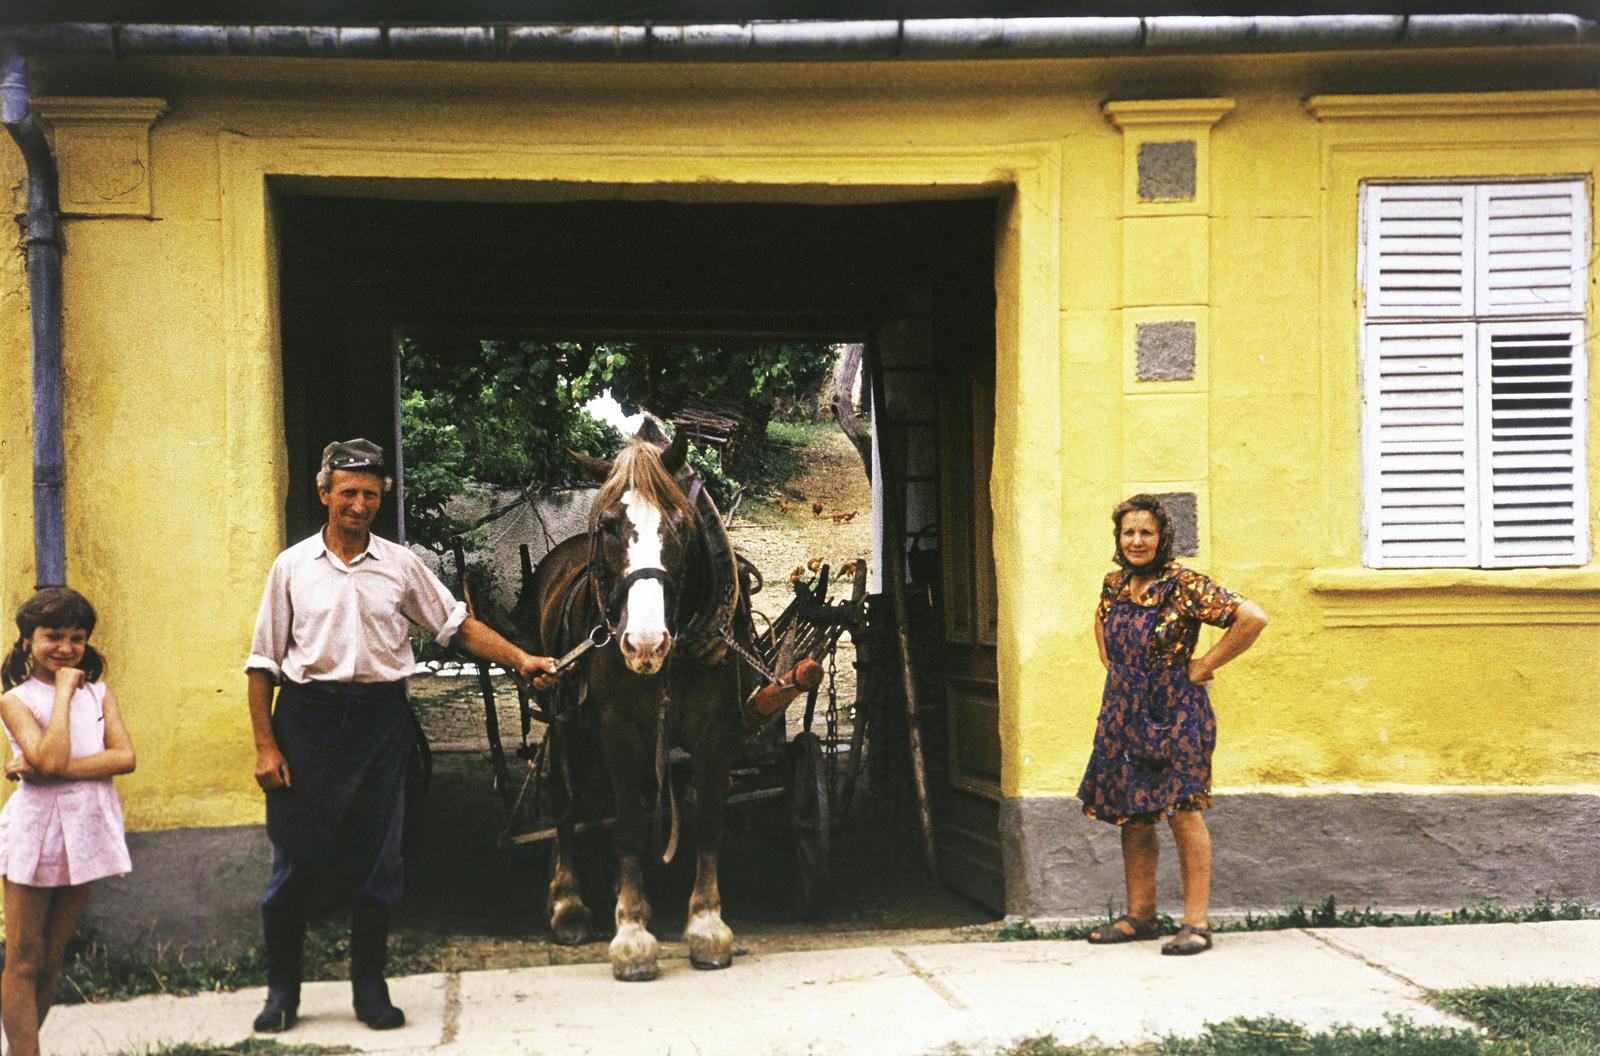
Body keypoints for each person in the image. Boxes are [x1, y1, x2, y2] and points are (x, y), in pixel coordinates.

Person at [246, 439, 560, 1033]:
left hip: (380, 723)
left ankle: (370, 990)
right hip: (307, 723)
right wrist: (267, 746)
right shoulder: (291, 567)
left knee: (380, 859)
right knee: (296, 858)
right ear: (325, 494)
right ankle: (282, 993)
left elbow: (456, 627)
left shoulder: (399, 564)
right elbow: (262, 665)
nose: (359, 505)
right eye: (348, 493)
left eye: (370, 494)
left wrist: (521, 659)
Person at [1077, 494, 1267, 956]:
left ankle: (1196, 924)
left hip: (1176, 709)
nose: (1136, 540)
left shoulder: (1186, 585)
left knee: (1184, 809)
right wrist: (1116, 667)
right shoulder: (1114, 585)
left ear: (1162, 538)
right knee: (1132, 811)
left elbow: (1252, 617)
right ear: (1119, 538)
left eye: (1146, 532)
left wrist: (1203, 665)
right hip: (1123, 709)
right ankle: (1139, 915)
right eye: (1128, 532)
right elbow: (1102, 625)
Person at [0, 588, 136, 1056]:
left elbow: (125, 756)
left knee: (52, 958)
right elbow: (53, 755)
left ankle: (21, 1049)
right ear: (28, 641)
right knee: (25, 957)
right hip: (35, 833)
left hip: (84, 829)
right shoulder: (15, 700)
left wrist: (43, 769)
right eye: (53, 636)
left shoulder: (99, 694)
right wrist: (61, 692)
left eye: (77, 638)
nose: (65, 647)